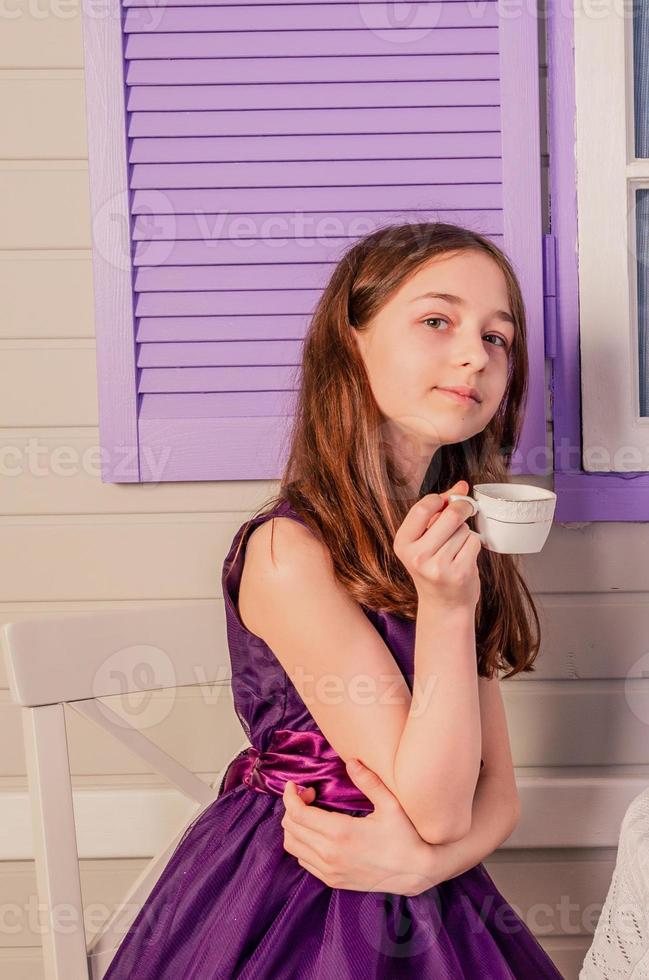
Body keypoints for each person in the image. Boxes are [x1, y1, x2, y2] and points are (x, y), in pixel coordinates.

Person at [103, 223, 566, 978]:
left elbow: (495, 795)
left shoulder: (450, 534)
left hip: (420, 873)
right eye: (436, 321)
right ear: (351, 343)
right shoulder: (291, 554)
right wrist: (446, 609)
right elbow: (437, 811)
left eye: (498, 337)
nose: (474, 354)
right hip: (302, 888)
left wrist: (419, 869)